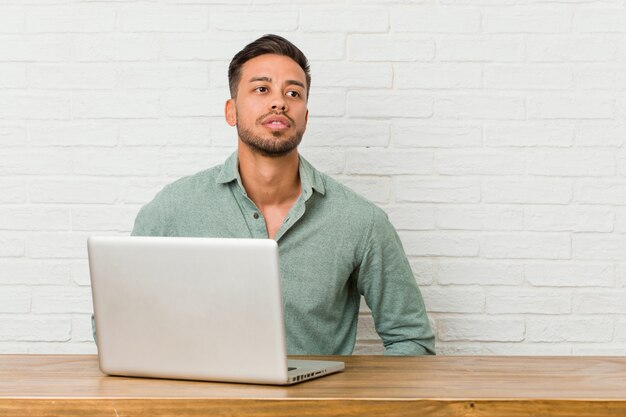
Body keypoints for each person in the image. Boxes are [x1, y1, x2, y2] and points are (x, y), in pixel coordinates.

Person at [129, 34, 435, 355]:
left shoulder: (361, 221)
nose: (279, 102)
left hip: (314, 405)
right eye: (262, 89)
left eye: (293, 93)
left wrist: (354, 404)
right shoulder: (174, 209)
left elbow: (411, 339)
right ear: (231, 111)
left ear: (305, 116)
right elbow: (120, 318)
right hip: (204, 405)